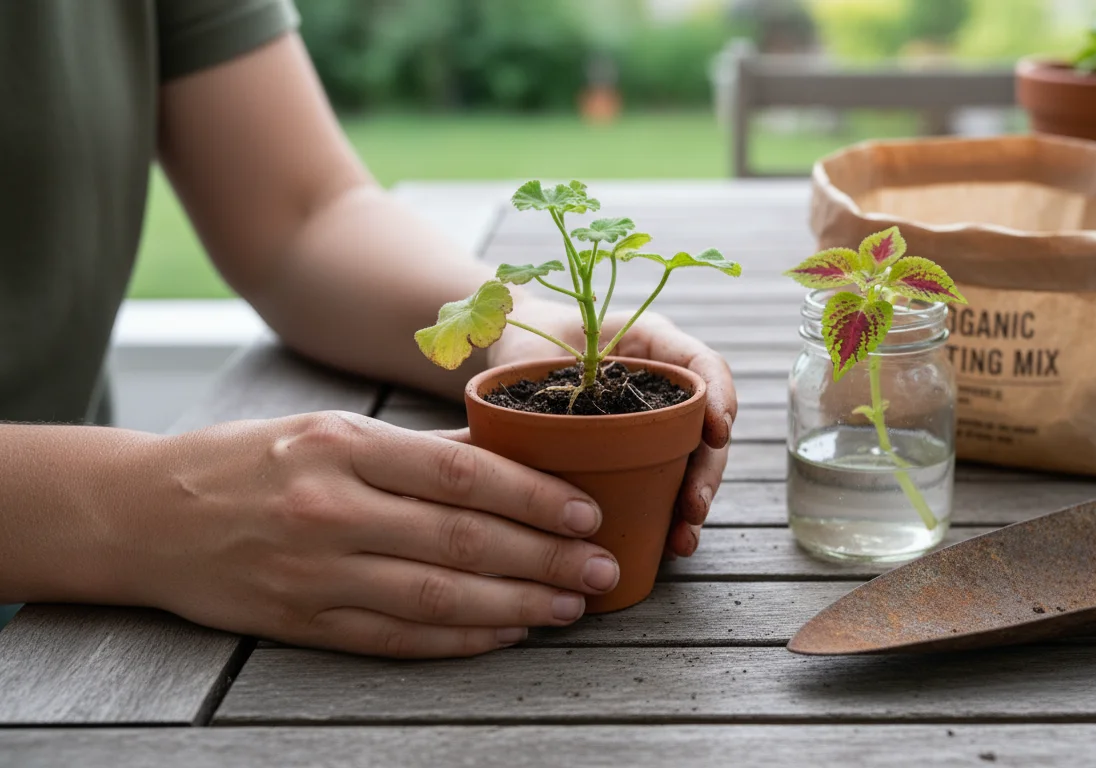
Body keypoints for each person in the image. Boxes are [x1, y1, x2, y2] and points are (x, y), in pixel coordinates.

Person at [0, 1, 735, 658]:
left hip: (76, 625)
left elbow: (301, 214)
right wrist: (143, 512)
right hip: (68, 641)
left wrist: (529, 327)